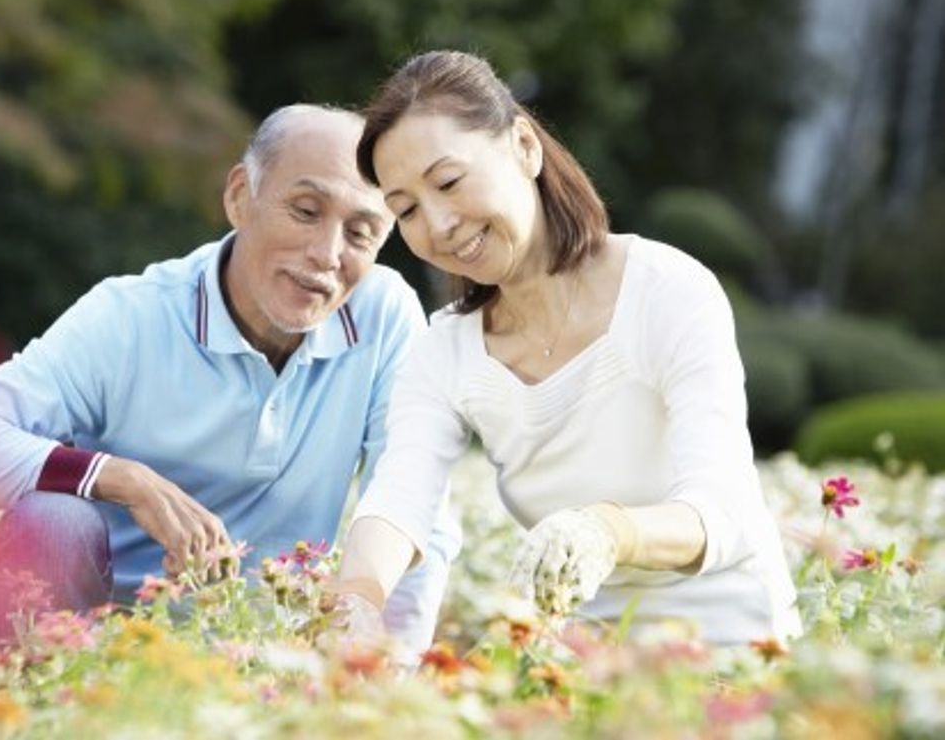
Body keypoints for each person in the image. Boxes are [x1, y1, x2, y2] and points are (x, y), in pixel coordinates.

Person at [0, 104, 459, 653]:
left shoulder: (384, 315)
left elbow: (416, 505)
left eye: (361, 232)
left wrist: (392, 684)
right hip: (95, 656)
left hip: (268, 668)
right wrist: (120, 478)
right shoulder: (130, 316)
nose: (326, 254)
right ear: (240, 196)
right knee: (52, 518)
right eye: (306, 210)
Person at [333, 51, 801, 645]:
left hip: (731, 648)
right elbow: (399, 499)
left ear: (525, 147)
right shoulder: (444, 351)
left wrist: (610, 532)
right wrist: (356, 599)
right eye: (406, 209)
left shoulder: (666, 290)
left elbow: (723, 509)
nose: (440, 223)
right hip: (577, 657)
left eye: (449, 181)